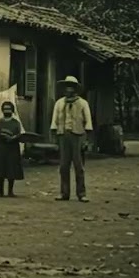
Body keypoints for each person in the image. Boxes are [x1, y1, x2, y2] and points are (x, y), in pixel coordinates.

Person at [49, 75, 93, 203]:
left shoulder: (83, 103)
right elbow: (54, 121)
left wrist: (86, 140)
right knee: (63, 166)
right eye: (66, 87)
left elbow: (88, 123)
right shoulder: (59, 103)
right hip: (63, 135)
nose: (68, 89)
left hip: (77, 135)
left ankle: (81, 193)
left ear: (75, 89)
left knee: (79, 166)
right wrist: (55, 137)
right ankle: (64, 193)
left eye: (71, 87)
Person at [0, 100, 25, 197]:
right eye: (5, 109)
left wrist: (13, 138)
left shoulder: (16, 123)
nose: (7, 111)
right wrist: (1, 134)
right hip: (0, 147)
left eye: (9, 109)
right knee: (0, 168)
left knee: (11, 169)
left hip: (12, 148)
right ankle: (0, 190)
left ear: (12, 110)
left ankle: (10, 191)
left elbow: (19, 135)